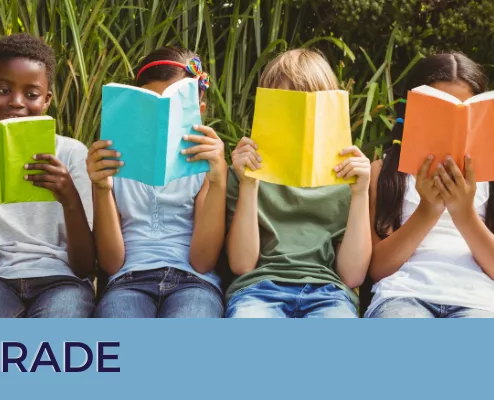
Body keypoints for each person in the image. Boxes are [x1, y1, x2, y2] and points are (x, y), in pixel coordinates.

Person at [0, 33, 96, 318]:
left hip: (64, 281)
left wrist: (69, 199)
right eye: (3, 90)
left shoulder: (71, 154)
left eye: (32, 94)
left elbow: (84, 266)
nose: (17, 102)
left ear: (47, 100)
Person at [224, 49, 371, 318]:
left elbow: (353, 275)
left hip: (328, 293)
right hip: (258, 289)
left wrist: (360, 193)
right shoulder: (244, 173)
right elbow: (242, 264)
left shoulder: (345, 178)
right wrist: (249, 185)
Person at [90, 47, 226, 318]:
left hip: (194, 282)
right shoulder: (112, 163)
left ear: (199, 111)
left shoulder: (207, 167)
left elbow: (202, 262)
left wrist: (219, 181)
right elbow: (111, 263)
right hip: (127, 281)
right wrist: (102, 189)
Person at [367, 52, 494, 318]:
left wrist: (464, 214)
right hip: (402, 294)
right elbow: (377, 269)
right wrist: (428, 210)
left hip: (478, 300)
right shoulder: (385, 172)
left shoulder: (489, 180)